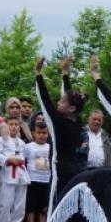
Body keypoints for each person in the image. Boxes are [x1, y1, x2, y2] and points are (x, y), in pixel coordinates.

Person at [35, 57, 88, 211]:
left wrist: (38, 74)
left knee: (54, 205)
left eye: (62, 101)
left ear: (71, 108)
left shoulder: (58, 122)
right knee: (69, 205)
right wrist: (65, 73)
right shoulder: (77, 121)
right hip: (74, 169)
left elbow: (44, 99)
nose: (58, 102)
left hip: (59, 168)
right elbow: (70, 95)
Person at [0, 118, 30, 222]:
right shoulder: (1, 140)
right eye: (11, 125)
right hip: (8, 172)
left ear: (19, 127)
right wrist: (8, 160)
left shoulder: (22, 142)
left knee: (19, 203)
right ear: (7, 126)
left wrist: (20, 161)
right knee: (5, 201)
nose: (14, 127)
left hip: (21, 172)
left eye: (16, 125)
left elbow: (26, 157)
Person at [23, 122, 51, 222]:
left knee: (43, 206)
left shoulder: (50, 147)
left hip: (46, 179)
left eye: (44, 133)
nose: (41, 135)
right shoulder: (28, 147)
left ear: (48, 134)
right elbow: (23, 161)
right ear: (33, 133)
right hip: (32, 179)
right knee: (31, 204)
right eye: (39, 133)